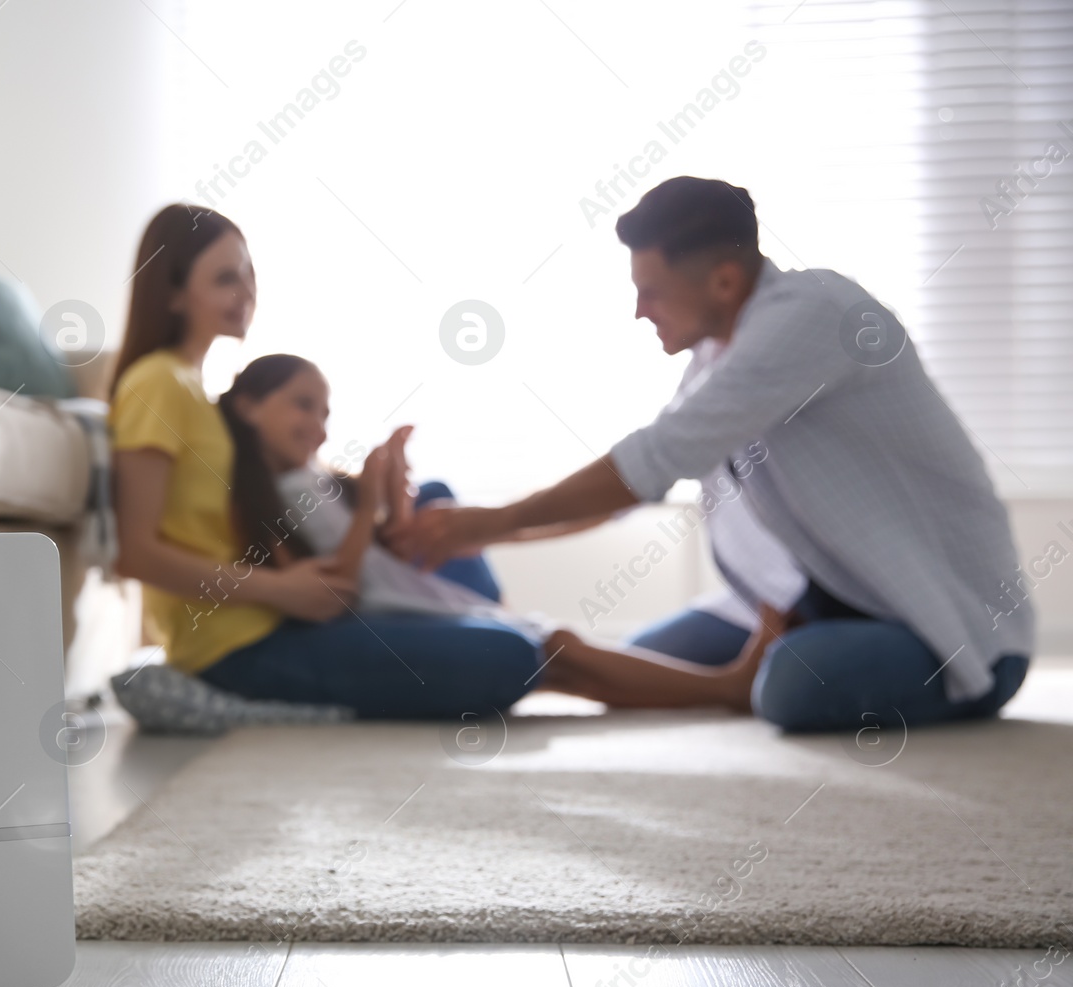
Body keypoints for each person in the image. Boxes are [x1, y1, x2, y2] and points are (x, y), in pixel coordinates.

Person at [394, 176, 1034, 732]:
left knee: (787, 686)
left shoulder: (814, 314)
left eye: (651, 290)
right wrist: (475, 534)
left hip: (942, 627)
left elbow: (651, 459)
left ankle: (777, 673)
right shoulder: (714, 353)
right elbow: (632, 489)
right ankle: (762, 664)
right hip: (816, 596)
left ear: (725, 281)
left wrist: (489, 522)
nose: (639, 311)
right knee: (645, 657)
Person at [108, 205, 777, 720]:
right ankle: (717, 688)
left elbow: (254, 521)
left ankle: (709, 685)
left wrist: (368, 505)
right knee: (518, 653)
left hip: (284, 614)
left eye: (250, 274)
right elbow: (136, 553)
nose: (246, 290)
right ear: (171, 290)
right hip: (237, 647)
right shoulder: (158, 385)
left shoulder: (204, 393)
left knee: (437, 502)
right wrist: (282, 589)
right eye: (225, 277)